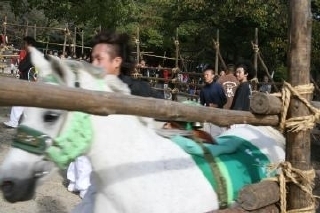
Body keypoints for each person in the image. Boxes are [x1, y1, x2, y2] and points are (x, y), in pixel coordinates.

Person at [69, 30, 163, 211]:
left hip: (133, 180)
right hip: (100, 179)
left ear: (116, 62)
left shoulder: (138, 89)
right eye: (92, 59)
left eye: (99, 59)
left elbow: (165, 113)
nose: (93, 64)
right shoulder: (87, 87)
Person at [3, 36, 36, 128]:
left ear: (29, 44)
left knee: (18, 102)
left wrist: (21, 62)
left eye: (25, 43)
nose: (24, 45)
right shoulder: (35, 54)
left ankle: (14, 122)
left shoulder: (31, 55)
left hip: (26, 81)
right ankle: (26, 123)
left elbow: (22, 67)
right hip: (31, 82)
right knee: (27, 104)